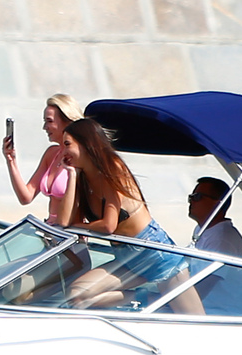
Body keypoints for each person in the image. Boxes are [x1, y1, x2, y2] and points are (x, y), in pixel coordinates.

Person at [59, 118, 203, 316]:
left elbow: (108, 226)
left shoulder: (113, 167)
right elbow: (65, 222)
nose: (63, 151)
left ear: (86, 143)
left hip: (154, 252)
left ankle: (160, 304)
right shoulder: (83, 179)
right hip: (127, 256)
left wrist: (79, 226)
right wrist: (72, 175)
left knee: (195, 320)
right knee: (77, 295)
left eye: (67, 144)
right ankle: (146, 299)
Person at [3, 93, 82, 226]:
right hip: (50, 230)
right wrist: (11, 161)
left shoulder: (81, 157)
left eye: (49, 121)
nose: (44, 127)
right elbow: (26, 197)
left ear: (67, 121)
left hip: (72, 235)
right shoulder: (52, 153)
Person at [187, 177, 242, 260]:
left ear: (217, 204)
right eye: (191, 197)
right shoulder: (201, 229)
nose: (191, 201)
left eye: (197, 197)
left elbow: (212, 273)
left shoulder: (221, 240)